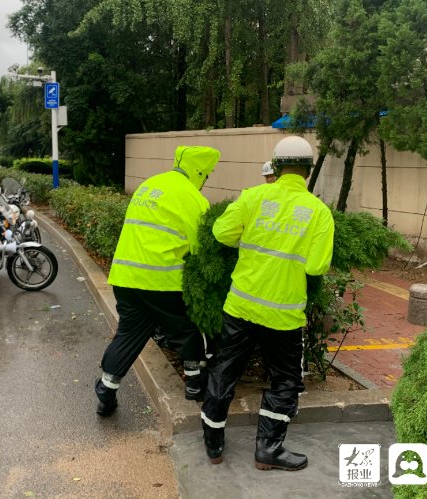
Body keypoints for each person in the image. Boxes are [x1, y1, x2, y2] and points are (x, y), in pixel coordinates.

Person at [201, 135, 334, 470]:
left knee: (224, 371)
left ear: (275, 165)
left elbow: (221, 233)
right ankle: (268, 450)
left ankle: (214, 444)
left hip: (241, 307)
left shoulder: (253, 196)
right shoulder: (319, 213)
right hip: (283, 316)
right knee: (286, 380)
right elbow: (316, 266)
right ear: (308, 170)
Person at [95, 145, 222, 417]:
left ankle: (106, 389)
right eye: (207, 175)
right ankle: (194, 385)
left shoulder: (149, 185)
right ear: (200, 172)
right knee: (186, 328)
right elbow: (198, 246)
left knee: (129, 334)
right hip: (163, 281)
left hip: (126, 279)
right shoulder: (193, 197)